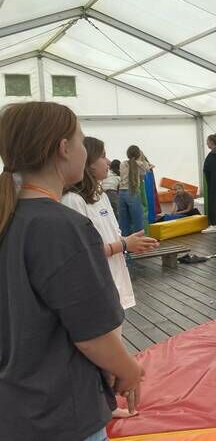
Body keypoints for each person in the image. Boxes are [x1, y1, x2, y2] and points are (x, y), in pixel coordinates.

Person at [0, 102, 143, 441]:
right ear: (64, 148)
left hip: (15, 408)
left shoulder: (11, 218)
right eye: (81, 139)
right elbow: (93, 334)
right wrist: (129, 370)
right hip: (61, 412)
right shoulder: (61, 226)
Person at [61, 136, 158, 418]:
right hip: (98, 287)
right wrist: (124, 245)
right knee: (102, 351)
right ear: (89, 163)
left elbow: (110, 237)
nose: (107, 161)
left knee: (114, 340)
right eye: (102, 156)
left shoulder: (101, 196)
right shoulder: (72, 201)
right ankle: (100, 406)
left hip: (114, 281)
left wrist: (128, 242)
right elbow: (83, 252)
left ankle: (107, 403)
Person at [118, 145, 152, 237]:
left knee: (124, 222)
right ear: (138, 154)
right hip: (133, 192)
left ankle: (125, 242)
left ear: (127, 154)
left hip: (121, 193)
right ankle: (140, 241)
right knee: (138, 221)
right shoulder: (141, 164)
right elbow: (146, 172)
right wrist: (141, 157)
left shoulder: (122, 164)